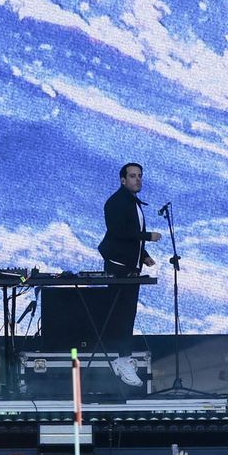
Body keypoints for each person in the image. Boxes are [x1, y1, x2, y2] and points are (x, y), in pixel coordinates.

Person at [98, 163, 161, 387]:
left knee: (128, 313)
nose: (138, 179)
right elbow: (119, 232)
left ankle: (124, 356)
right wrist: (148, 236)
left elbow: (130, 238)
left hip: (131, 267)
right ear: (123, 180)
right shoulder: (116, 202)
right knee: (121, 314)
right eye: (133, 176)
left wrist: (143, 255)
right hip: (118, 267)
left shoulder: (133, 202)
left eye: (140, 176)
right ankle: (121, 359)